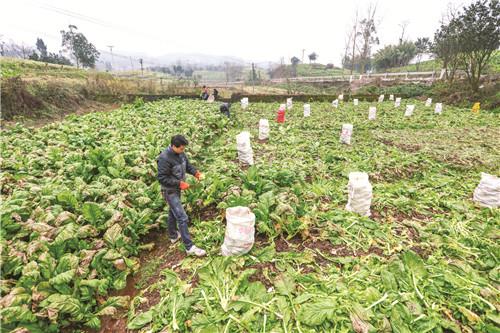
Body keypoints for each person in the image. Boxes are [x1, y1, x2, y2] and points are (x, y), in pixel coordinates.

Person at [157, 135, 206, 256]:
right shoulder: (164, 158)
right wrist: (178, 183)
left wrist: (196, 173)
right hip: (170, 191)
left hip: (177, 189)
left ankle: (173, 235)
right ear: (174, 146)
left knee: (173, 211)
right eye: (181, 149)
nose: (183, 151)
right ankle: (189, 247)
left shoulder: (180, 153)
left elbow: (187, 165)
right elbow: (162, 178)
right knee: (182, 217)